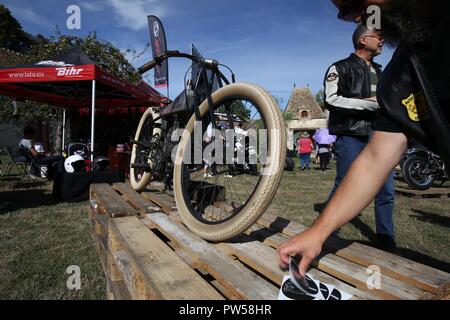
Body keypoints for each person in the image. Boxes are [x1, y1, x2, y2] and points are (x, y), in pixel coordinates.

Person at [278, 0, 450, 278]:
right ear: (362, 39)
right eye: (344, 11)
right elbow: (372, 151)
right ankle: (332, 231)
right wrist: (318, 232)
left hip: (372, 131)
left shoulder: (386, 70)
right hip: (354, 134)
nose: (351, 15)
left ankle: (386, 239)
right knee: (344, 180)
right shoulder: (388, 69)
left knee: (386, 193)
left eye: (353, 3)